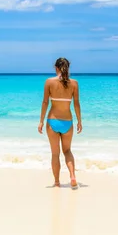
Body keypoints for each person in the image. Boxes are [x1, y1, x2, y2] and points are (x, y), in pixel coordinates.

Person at [38, 57, 82, 188]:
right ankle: (72, 176)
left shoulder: (49, 82)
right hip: (67, 122)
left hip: (53, 121)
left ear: (55, 68)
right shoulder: (74, 83)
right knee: (67, 151)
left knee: (55, 153)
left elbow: (45, 102)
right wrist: (79, 121)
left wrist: (41, 121)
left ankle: (57, 182)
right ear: (68, 68)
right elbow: (76, 104)